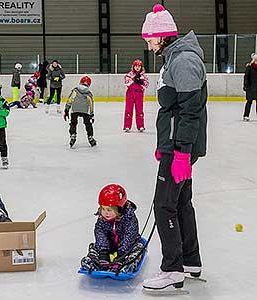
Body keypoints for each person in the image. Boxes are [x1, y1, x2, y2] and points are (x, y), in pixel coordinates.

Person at [141, 4, 207, 291]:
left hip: (180, 147)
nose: (148, 43)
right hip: (174, 144)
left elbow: (190, 110)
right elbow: (172, 109)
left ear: (163, 36)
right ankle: (190, 259)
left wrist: (180, 151)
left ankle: (172, 269)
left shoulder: (183, 60)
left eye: (150, 38)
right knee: (180, 202)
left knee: (164, 205)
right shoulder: (173, 57)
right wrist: (163, 143)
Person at [81, 184, 143, 274]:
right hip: (110, 245)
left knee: (139, 248)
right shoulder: (102, 219)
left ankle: (126, 266)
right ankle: (92, 263)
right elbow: (100, 234)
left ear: (119, 209)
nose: (106, 213)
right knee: (94, 246)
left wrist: (121, 255)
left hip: (127, 247)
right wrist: (104, 253)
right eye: (103, 209)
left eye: (109, 210)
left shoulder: (129, 219)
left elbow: (129, 236)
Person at [63, 76, 96, 148]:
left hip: (75, 109)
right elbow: (91, 103)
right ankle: (90, 137)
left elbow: (70, 99)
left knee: (73, 123)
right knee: (88, 124)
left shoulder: (75, 90)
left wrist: (66, 110)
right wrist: (92, 114)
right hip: (85, 110)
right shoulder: (88, 92)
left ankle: (73, 135)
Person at [123, 59, 149, 132]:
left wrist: (140, 81)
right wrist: (134, 79)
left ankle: (140, 125)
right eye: (136, 66)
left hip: (139, 94)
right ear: (133, 67)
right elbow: (126, 82)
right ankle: (127, 126)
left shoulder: (144, 75)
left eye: (139, 66)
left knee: (139, 110)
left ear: (141, 67)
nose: (137, 68)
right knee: (128, 109)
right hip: (130, 93)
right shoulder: (130, 74)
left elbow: (146, 84)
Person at [243, 53, 257, 121]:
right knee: (249, 102)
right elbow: (246, 77)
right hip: (250, 88)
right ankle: (246, 115)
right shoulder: (249, 67)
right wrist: (245, 85)